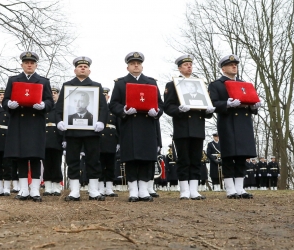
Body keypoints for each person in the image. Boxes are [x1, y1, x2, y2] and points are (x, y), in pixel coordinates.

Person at [109, 52, 163, 202]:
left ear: (142, 66)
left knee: (146, 158)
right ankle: (133, 189)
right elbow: (113, 104)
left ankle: (144, 189)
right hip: (130, 125)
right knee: (131, 158)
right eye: (133, 63)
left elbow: (160, 103)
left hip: (147, 125)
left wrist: (156, 112)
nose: (136, 65)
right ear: (128, 67)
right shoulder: (120, 83)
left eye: (138, 63)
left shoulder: (151, 83)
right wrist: (124, 111)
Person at [208, 54, 262, 199]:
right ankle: (230, 189)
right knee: (228, 156)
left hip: (243, 123)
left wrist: (254, 106)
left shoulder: (244, 84)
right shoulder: (216, 85)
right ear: (223, 68)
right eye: (231, 65)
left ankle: (240, 188)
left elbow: (251, 103)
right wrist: (227, 104)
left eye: (236, 65)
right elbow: (212, 103)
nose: (234, 67)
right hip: (228, 123)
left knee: (241, 157)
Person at [2, 51, 54, 202]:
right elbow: (5, 100)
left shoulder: (43, 81)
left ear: (36, 65)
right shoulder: (13, 80)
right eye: (26, 63)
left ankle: (35, 189)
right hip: (19, 121)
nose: (29, 65)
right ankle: (24, 189)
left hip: (35, 122)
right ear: (22, 65)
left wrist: (43, 105)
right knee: (21, 157)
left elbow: (50, 102)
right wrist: (9, 105)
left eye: (32, 63)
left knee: (35, 157)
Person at [56, 56, 108, 201]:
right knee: (72, 160)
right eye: (80, 66)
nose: (83, 68)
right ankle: (74, 191)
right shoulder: (67, 87)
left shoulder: (96, 86)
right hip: (72, 131)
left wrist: (102, 122)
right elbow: (58, 108)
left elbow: (103, 108)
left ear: (89, 70)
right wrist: (59, 121)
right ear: (75, 70)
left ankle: (93, 191)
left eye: (85, 66)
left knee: (93, 159)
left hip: (92, 131)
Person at [164, 54, 214, 200]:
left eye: (190, 64)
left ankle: (194, 190)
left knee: (196, 159)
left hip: (197, 128)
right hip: (182, 127)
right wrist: (179, 110)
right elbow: (168, 107)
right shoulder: (173, 85)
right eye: (185, 65)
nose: (189, 66)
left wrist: (208, 110)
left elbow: (205, 108)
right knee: (183, 159)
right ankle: (184, 190)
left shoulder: (200, 85)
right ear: (179, 68)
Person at [42, 87, 64, 196]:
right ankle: (47, 186)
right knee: (46, 164)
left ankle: (56, 186)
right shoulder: (44, 108)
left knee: (56, 163)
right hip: (45, 139)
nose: (53, 95)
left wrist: (64, 139)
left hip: (57, 139)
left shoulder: (60, 108)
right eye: (51, 93)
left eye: (55, 93)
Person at [98, 87, 119, 197]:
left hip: (111, 140)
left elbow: (119, 126)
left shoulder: (113, 109)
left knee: (111, 165)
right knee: (100, 164)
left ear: (108, 97)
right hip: (99, 140)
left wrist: (119, 142)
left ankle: (109, 188)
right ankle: (101, 188)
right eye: (102, 95)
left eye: (105, 95)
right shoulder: (96, 109)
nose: (104, 97)